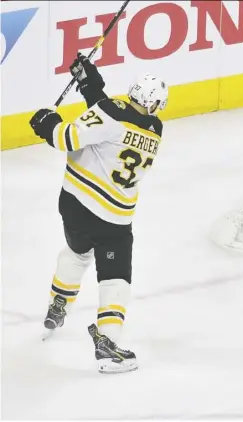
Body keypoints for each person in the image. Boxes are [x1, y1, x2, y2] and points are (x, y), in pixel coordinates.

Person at [28, 53, 168, 372]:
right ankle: (107, 345)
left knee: (77, 252)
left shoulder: (111, 112)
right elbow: (112, 124)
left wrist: (45, 121)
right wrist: (90, 84)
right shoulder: (155, 130)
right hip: (113, 220)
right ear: (155, 105)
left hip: (74, 207)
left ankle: (58, 302)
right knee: (115, 278)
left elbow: (68, 137)